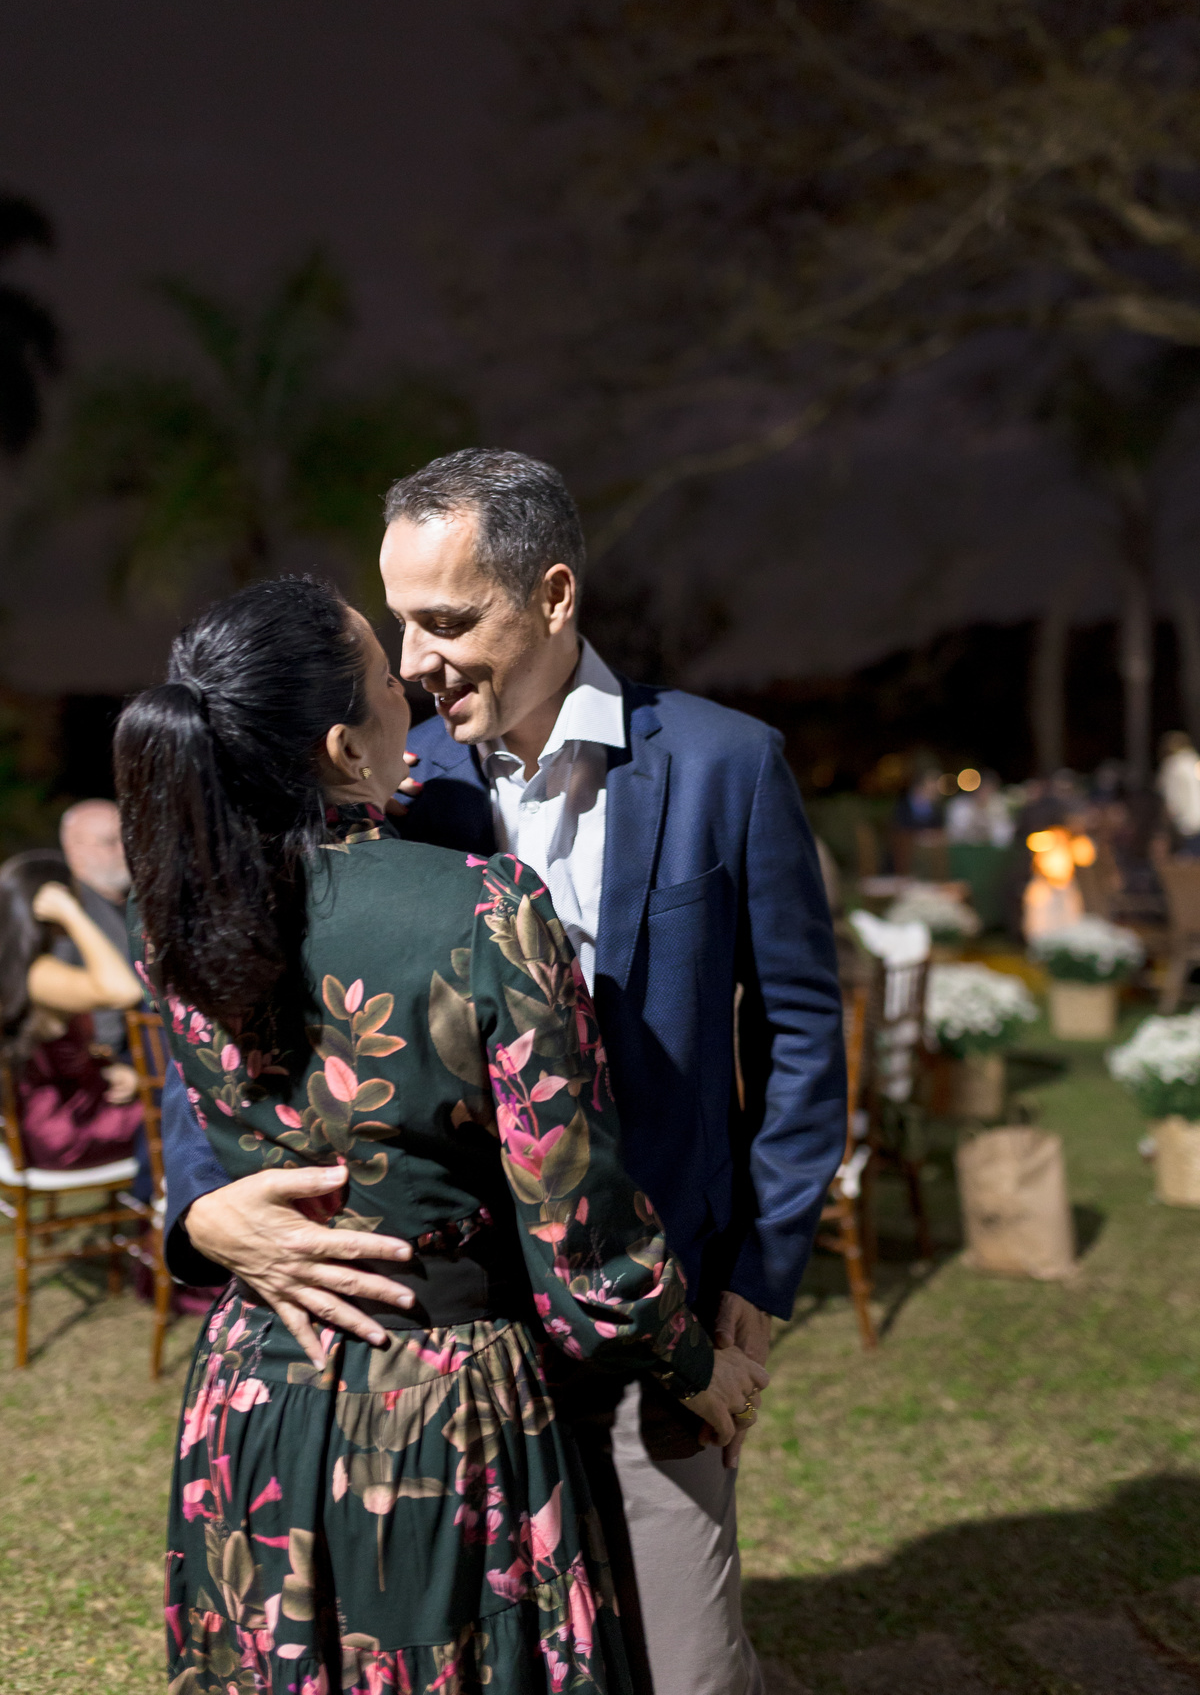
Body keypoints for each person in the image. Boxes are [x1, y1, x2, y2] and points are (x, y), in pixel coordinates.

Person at [160, 449, 847, 1695]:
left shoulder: (728, 763)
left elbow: (798, 1033)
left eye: (445, 620)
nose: (415, 660)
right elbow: (222, 978)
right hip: (454, 1345)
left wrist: (762, 1267)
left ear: (554, 594)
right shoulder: (387, 781)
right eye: (400, 625)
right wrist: (202, 1208)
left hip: (655, 1311)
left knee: (690, 1668)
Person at [0, 849, 143, 1170]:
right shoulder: (39, 975)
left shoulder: (20, 971)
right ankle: (155, 1200)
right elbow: (124, 991)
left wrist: (103, 1069)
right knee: (183, 1115)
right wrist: (72, 914)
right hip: (67, 1131)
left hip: (59, 1120)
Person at [56, 798, 136, 1054]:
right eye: (110, 841)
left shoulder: (140, 900)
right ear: (74, 848)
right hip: (112, 1054)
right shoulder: (65, 908)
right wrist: (104, 1058)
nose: (124, 850)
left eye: (129, 839)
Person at [1158, 731, 1200, 857]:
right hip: (1197, 821)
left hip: (1184, 825)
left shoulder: (1172, 765)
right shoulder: (1195, 761)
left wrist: (1167, 822)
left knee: (1185, 863)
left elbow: (1171, 799)